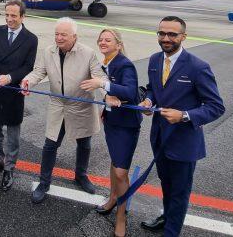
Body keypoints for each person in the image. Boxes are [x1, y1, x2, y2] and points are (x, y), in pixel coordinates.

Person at [138, 16, 225, 237]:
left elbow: (216, 107)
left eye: (172, 34)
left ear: (183, 37)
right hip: (159, 137)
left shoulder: (197, 67)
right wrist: (148, 101)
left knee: (179, 191)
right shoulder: (154, 60)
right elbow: (152, 89)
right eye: (162, 33)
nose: (166, 38)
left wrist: (184, 115)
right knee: (166, 184)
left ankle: (171, 231)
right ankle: (167, 217)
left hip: (184, 142)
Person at [22, 17, 107, 204]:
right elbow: (39, 72)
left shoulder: (88, 53)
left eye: (63, 35)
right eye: (57, 34)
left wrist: (108, 95)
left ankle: (81, 175)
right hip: (58, 106)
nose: (59, 38)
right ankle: (44, 182)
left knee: (84, 144)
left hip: (81, 106)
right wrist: (28, 81)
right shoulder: (48, 51)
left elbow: (99, 77)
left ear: (74, 36)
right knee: (50, 145)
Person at [81, 29, 141, 237]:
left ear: (118, 44)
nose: (103, 42)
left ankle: (121, 217)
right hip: (112, 122)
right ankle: (113, 197)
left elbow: (130, 92)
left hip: (126, 125)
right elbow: (111, 93)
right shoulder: (106, 63)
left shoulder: (124, 64)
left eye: (108, 40)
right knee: (116, 162)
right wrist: (106, 101)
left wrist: (102, 84)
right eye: (101, 39)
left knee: (121, 172)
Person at [0, 0, 38, 191]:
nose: (9, 19)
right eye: (7, 15)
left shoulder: (31, 39)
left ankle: (9, 168)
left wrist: (9, 78)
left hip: (12, 91)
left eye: (14, 16)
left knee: (12, 134)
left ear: (23, 17)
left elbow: (28, 66)